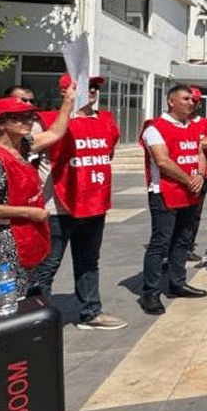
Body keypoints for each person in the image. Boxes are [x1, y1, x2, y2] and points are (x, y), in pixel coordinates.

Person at [31, 74, 127, 330]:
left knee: (88, 262)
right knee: (47, 267)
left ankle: (91, 311)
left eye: (94, 87)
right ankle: (38, 321)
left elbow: (107, 153)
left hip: (94, 204)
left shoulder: (106, 121)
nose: (92, 91)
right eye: (84, 87)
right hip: (57, 207)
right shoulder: (46, 122)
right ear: (65, 91)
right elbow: (30, 146)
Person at [0, 85, 74, 307]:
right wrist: (27, 212)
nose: (27, 121)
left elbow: (55, 133)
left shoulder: (21, 147)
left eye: (30, 116)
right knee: (4, 302)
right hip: (3, 246)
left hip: (22, 240)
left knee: (20, 297)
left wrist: (68, 103)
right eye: (19, 118)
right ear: (0, 123)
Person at [138, 85, 207, 316]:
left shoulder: (191, 126)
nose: (191, 103)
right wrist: (189, 179)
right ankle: (150, 292)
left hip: (189, 192)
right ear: (171, 101)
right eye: (186, 98)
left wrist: (199, 174)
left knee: (182, 240)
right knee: (160, 243)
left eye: (192, 99)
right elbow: (162, 161)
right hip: (164, 193)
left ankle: (177, 282)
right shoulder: (155, 128)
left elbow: (199, 152)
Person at [182, 87, 207, 265]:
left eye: (195, 101)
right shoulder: (176, 122)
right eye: (188, 99)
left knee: (195, 213)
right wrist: (199, 141)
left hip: (202, 174)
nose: (192, 104)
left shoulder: (204, 122)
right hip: (180, 175)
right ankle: (174, 247)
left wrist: (192, 141)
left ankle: (188, 246)